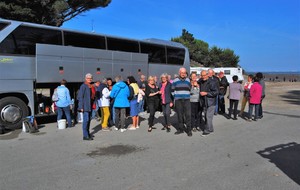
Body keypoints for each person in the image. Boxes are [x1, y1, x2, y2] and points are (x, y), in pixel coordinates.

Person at [172, 67, 192, 137]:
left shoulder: (188, 80)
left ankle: (189, 130)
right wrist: (176, 96)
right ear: (179, 73)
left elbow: (190, 89)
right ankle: (181, 129)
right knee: (180, 115)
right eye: (182, 73)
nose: (183, 74)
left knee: (188, 115)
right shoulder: (175, 80)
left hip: (187, 100)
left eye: (184, 73)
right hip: (178, 100)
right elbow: (172, 90)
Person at [198, 70, 219, 136]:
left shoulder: (212, 82)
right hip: (204, 102)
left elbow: (216, 92)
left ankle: (207, 130)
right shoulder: (201, 81)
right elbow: (197, 81)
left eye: (204, 75)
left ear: (207, 75)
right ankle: (210, 128)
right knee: (207, 117)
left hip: (211, 102)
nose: (203, 77)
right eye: (202, 75)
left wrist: (206, 93)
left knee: (208, 116)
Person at [77, 73, 96, 140]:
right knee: (86, 120)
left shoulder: (90, 86)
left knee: (89, 120)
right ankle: (85, 135)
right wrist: (81, 107)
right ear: (85, 79)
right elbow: (80, 97)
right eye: (88, 78)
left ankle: (87, 133)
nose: (89, 79)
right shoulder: (83, 86)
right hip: (85, 106)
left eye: (91, 78)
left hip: (90, 105)